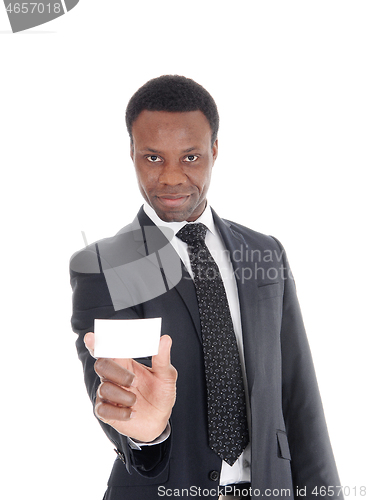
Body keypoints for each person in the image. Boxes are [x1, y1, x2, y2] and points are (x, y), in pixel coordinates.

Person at [70, 75, 342, 500]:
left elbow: (298, 397)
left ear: (215, 150)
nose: (172, 178)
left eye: (191, 156)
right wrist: (147, 434)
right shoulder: (107, 265)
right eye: (153, 158)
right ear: (132, 153)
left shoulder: (264, 253)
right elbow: (116, 389)